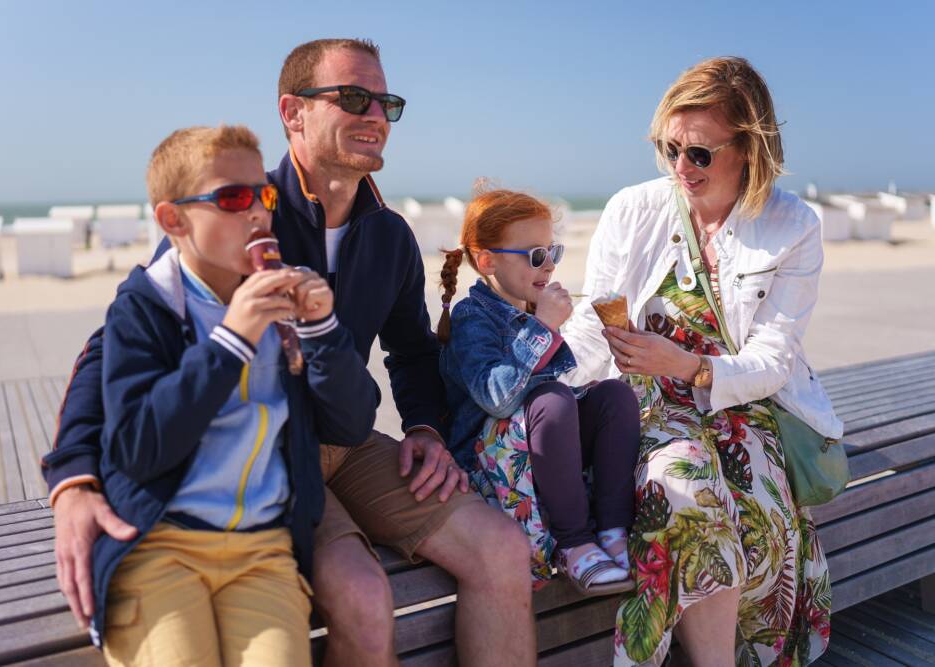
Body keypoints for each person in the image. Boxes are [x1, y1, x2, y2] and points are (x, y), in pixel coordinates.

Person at [42, 38, 535, 667]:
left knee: (501, 548)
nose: (376, 114)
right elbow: (112, 343)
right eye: (354, 97)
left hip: (349, 437)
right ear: (293, 111)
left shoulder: (389, 235)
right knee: (361, 594)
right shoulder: (239, 207)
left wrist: (426, 428)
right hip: (271, 450)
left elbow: (411, 352)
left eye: (386, 102)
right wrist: (73, 480)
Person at [562, 57, 840, 666]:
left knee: (764, 522)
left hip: (740, 401)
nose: (681, 169)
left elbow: (771, 357)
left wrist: (686, 365)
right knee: (686, 493)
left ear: (750, 149)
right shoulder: (633, 209)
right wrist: (547, 389)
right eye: (670, 150)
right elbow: (593, 318)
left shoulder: (792, 225)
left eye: (701, 155)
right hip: (644, 400)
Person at [92, 124, 376, 666]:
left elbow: (353, 422)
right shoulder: (145, 309)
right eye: (232, 198)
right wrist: (230, 340)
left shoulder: (287, 297)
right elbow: (137, 448)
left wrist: (321, 333)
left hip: (263, 549)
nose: (257, 214)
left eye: (264, 196)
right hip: (161, 545)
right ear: (173, 220)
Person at [437, 188, 640, 594]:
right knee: (553, 400)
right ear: (487, 261)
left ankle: (614, 531)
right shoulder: (471, 318)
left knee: (614, 397)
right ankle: (573, 543)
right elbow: (498, 399)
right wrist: (543, 326)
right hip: (487, 462)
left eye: (552, 252)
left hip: (530, 445)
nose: (547, 266)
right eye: (534, 256)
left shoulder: (528, 308)